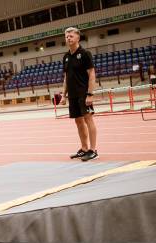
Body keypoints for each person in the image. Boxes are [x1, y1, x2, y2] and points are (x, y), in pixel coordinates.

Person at [60, 27, 98, 161]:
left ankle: (93, 150)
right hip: (72, 95)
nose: (68, 38)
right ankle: (84, 148)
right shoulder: (65, 57)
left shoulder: (85, 53)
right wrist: (63, 95)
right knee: (78, 121)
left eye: (71, 36)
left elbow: (92, 74)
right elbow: (66, 78)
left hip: (83, 93)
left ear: (78, 38)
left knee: (88, 119)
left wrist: (90, 94)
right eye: (66, 36)